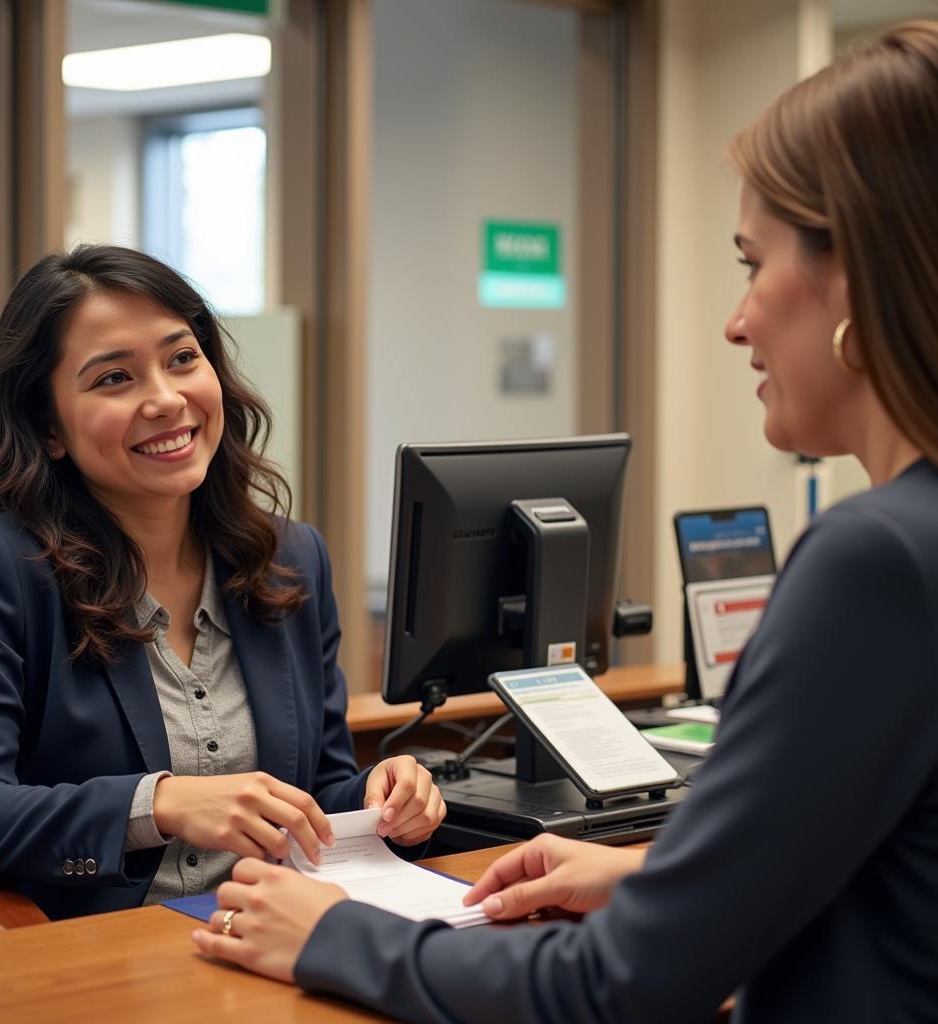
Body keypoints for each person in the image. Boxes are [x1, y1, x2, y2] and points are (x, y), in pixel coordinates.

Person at [190, 20, 938, 1023]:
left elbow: (611, 987)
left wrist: (330, 934)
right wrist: (650, 887)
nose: (735, 319)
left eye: (751, 264)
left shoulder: (873, 560)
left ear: (852, 273)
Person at [0, 245, 445, 941]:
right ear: (49, 430)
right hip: (71, 963)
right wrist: (158, 805)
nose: (165, 399)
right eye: (113, 378)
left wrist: (383, 800)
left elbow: (316, 790)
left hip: (253, 950)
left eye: (182, 358)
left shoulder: (289, 558)